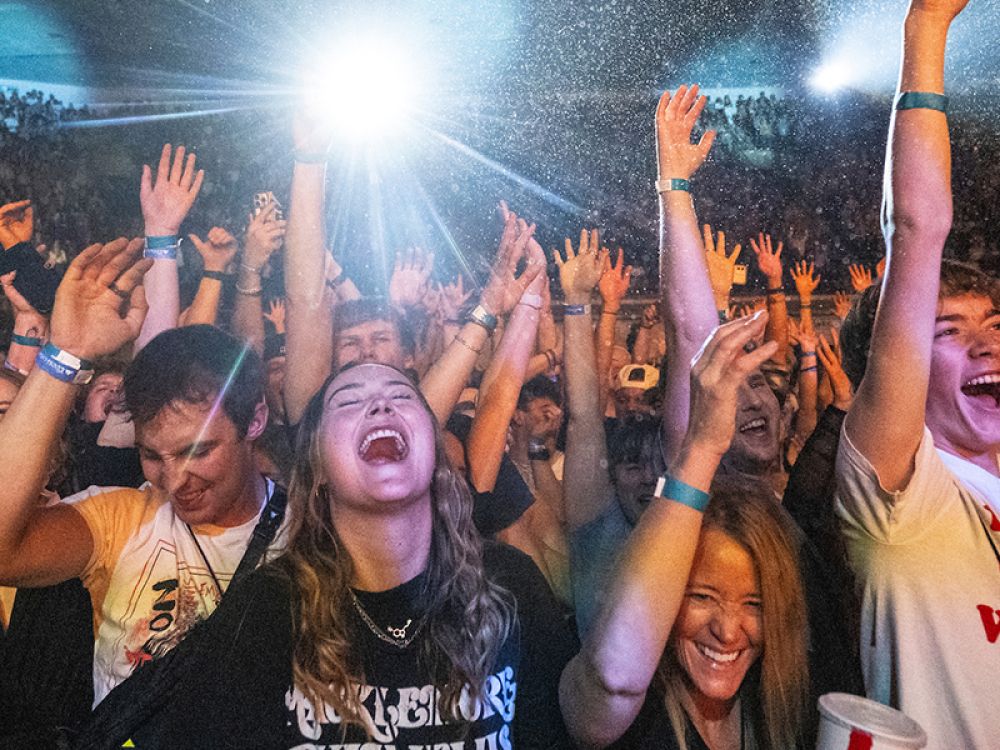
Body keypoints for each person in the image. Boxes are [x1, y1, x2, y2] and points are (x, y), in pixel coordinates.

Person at [79, 362, 577, 749]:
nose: (380, 408)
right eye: (350, 401)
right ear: (316, 464)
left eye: (401, 397)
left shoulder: (509, 584)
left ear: (433, 444)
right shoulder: (269, 607)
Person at [0, 237, 282, 707]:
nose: (172, 479)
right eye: (153, 456)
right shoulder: (122, 519)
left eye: (197, 451)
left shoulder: (311, 528)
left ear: (254, 420)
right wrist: (66, 353)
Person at [835, 0, 1000, 745]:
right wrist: (926, 28)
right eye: (951, 332)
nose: (988, 346)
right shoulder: (904, 501)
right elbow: (919, 231)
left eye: (995, 326)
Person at [560, 312, 810, 749]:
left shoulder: (782, 706)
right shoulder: (629, 713)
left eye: (755, 603)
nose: (729, 631)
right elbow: (614, 678)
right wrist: (703, 445)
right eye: (701, 597)